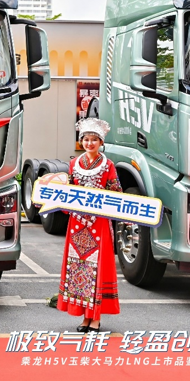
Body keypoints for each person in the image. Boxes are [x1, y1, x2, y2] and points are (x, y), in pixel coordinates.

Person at [56, 118, 121, 332]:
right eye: (86, 139)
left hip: (98, 223)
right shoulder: (74, 164)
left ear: (101, 142)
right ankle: (84, 316)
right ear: (81, 141)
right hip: (77, 223)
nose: (90, 143)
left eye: (94, 140)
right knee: (79, 267)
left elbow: (116, 193)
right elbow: (68, 190)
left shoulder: (107, 165)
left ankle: (95, 317)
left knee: (98, 268)